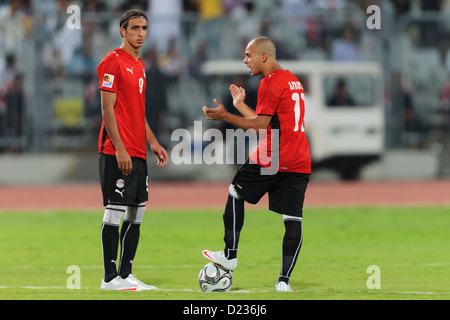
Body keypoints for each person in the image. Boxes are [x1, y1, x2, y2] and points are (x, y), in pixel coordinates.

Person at [202, 37, 311, 292]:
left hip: (273, 156)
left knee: (235, 191)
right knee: (292, 218)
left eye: (248, 55)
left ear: (264, 57)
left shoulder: (269, 82)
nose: (245, 60)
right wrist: (240, 105)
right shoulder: (292, 80)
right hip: (299, 159)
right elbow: (270, 121)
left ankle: (230, 254)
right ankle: (284, 281)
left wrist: (227, 115)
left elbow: (262, 126)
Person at [97, 9, 168, 291]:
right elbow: (107, 110)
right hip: (118, 151)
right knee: (114, 211)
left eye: (144, 28)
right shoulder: (111, 62)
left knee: (137, 212)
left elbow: (138, 113)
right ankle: (109, 278)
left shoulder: (139, 66)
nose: (141, 33)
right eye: (135, 28)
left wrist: (152, 141)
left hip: (138, 150)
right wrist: (121, 148)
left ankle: (126, 275)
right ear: (122, 31)